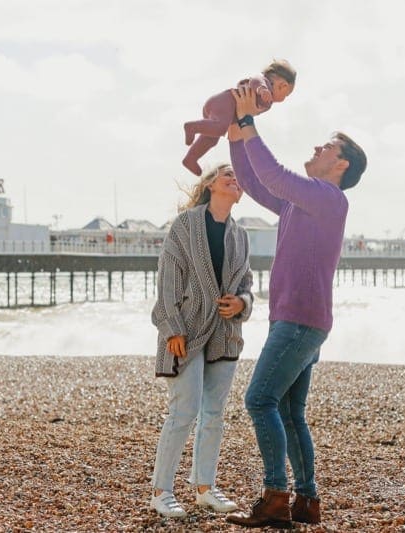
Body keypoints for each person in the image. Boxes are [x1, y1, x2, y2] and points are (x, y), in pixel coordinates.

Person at [224, 86, 367, 528]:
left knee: (258, 399)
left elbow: (278, 174)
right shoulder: (300, 202)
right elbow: (256, 180)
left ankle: (275, 498)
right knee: (289, 412)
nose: (316, 148)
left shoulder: (327, 198)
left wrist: (249, 123)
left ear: (340, 164)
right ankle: (307, 502)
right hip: (303, 321)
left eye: (326, 146)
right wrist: (235, 133)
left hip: (299, 322)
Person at [149, 163, 254, 519]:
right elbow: (168, 281)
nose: (233, 177)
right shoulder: (185, 225)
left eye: (237, 177)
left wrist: (242, 304)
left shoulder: (241, 236)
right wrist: (172, 328)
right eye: (226, 173)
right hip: (187, 332)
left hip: (225, 335)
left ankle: (205, 486)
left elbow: (246, 287)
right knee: (184, 411)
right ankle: (162, 491)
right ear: (210, 183)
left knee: (214, 414)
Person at [182, 59, 296, 176]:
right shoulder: (264, 82)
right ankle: (192, 127)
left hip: (222, 113)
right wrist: (262, 89)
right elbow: (255, 81)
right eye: (286, 95)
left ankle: (191, 159)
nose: (284, 99)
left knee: (211, 139)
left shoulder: (267, 100)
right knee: (220, 128)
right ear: (283, 86)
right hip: (224, 102)